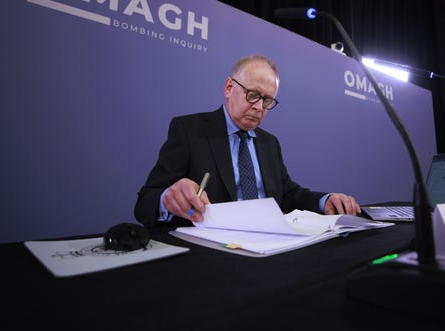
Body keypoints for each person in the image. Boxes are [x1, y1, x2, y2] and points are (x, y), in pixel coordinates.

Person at [134, 54, 361, 227]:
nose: (259, 107)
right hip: (212, 254)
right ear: (229, 88)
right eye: (253, 95)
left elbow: (289, 194)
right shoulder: (189, 130)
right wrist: (168, 198)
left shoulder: (269, 143)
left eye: (268, 100)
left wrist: (325, 200)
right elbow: (145, 203)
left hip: (270, 246)